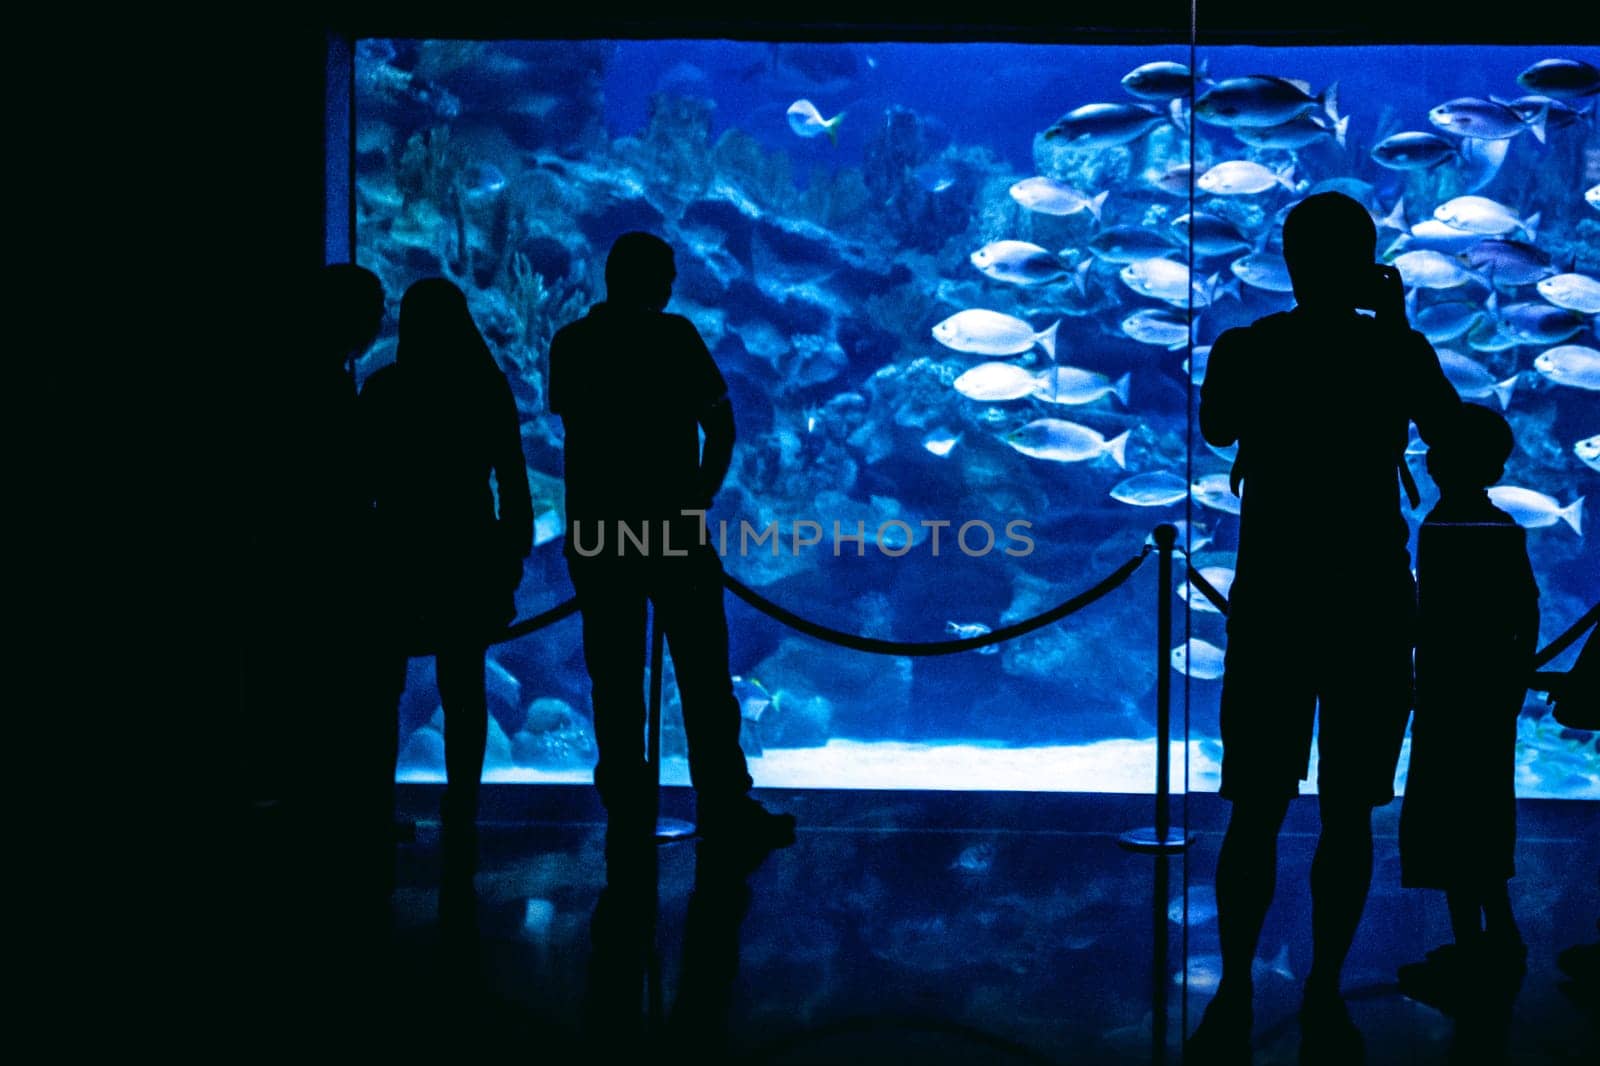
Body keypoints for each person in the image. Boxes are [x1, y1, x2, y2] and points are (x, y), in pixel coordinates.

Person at [1188, 192, 1461, 1063]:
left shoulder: (1248, 346)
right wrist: (1395, 324)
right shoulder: (1394, 347)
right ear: (1366, 263)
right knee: (1349, 813)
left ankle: (1233, 983)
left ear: (1287, 259)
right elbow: (1453, 438)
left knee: (1256, 807)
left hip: (1274, 595)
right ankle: (1323, 987)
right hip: (1371, 598)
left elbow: (1216, 425)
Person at [549, 231, 794, 847]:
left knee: (615, 676)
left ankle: (626, 807)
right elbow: (722, 424)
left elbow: (573, 428)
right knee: (705, 673)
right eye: (665, 274)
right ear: (655, 280)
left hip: (600, 529)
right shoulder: (675, 337)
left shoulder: (572, 342)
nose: (669, 286)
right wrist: (699, 495)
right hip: (674, 529)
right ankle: (724, 803)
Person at [360, 277, 532, 876]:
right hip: (467, 552)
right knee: (465, 689)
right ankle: (464, 808)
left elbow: (361, 484)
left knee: (381, 689)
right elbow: (513, 480)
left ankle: (375, 805)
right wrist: (513, 551)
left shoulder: (383, 387)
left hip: (397, 552)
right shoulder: (486, 387)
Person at [1398, 403, 1539, 1005]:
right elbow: (1525, 609)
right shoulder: (1500, 525)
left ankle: (1472, 945)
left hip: (1447, 692)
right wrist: (1513, 679)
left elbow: (1428, 616)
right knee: (1484, 807)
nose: (1429, 458)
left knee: (1450, 811)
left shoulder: (1441, 526)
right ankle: (1498, 933)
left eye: (1439, 450)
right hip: (1485, 692)